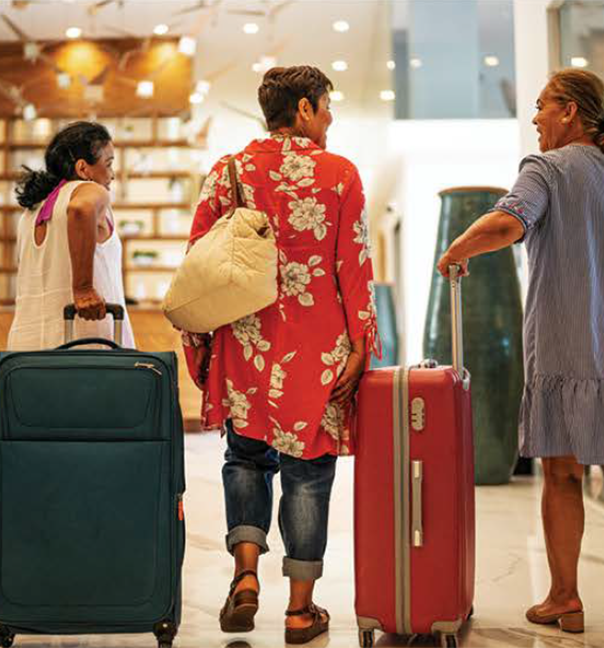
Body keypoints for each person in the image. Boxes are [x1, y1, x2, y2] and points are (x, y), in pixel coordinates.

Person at [437, 69, 604, 648]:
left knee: (561, 473)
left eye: (541, 105)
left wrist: (458, 247)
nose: (535, 117)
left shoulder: (547, 170)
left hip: (566, 347)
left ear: (571, 112)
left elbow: (509, 221)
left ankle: (565, 595)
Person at [183, 65, 379, 645]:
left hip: (245, 342)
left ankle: (245, 576)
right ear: (302, 109)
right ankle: (299, 610)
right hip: (316, 348)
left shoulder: (229, 171)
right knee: (308, 472)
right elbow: (354, 265)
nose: (330, 118)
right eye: (325, 107)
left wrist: (202, 348)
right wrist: (362, 341)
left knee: (245, 459)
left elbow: (199, 262)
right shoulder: (340, 174)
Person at [8, 121, 135, 350]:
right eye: (108, 164)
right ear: (83, 169)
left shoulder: (32, 209)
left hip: (27, 348)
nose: (112, 175)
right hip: (85, 344)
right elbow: (81, 209)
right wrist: (83, 288)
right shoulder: (89, 191)